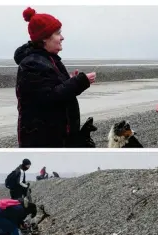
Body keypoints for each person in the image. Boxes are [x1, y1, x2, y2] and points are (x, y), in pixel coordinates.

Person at [14, 7, 96, 148]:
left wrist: (69, 80)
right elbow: (49, 97)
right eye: (58, 33)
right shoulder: (32, 64)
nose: (62, 37)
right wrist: (79, 82)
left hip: (57, 137)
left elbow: (55, 89)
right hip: (43, 140)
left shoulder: (49, 60)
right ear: (45, 38)